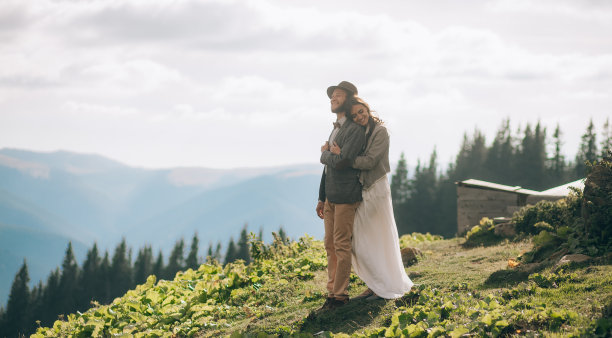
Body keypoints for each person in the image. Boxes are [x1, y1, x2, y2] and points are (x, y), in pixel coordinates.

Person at [330, 96, 413, 300]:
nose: (359, 116)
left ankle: (382, 285)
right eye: (355, 115)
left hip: (376, 188)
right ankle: (375, 283)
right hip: (364, 189)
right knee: (363, 238)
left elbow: (370, 161)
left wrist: (344, 158)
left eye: (361, 111)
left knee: (370, 238)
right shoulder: (362, 131)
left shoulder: (380, 131)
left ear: (368, 109)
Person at [316, 81, 366, 310]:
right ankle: (331, 292)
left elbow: (343, 162)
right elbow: (330, 168)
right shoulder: (335, 128)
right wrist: (321, 196)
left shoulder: (355, 131)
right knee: (329, 244)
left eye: (337, 96)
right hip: (331, 198)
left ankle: (340, 295)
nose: (332, 99)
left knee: (341, 245)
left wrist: (324, 154)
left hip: (346, 196)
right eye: (331, 96)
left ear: (347, 99)